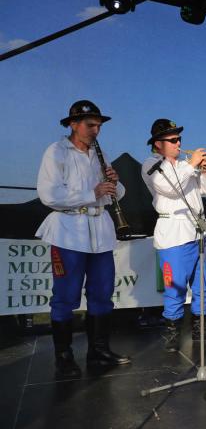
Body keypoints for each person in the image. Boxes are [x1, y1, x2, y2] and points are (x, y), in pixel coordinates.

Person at [36, 100, 131, 379]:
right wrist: (92, 193)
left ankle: (98, 352)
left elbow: (116, 194)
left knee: (102, 293)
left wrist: (115, 182)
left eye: (99, 126)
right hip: (68, 231)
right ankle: (64, 357)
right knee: (65, 296)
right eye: (91, 125)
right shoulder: (56, 152)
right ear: (73, 124)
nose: (96, 131)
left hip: (100, 232)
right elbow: (49, 195)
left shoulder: (101, 155)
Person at [141, 119, 206, 351]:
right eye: (173, 140)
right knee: (175, 288)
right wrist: (192, 164)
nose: (179, 143)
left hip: (198, 232)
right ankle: (172, 334)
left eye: (179, 139)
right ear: (158, 144)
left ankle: (201, 330)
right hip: (173, 233)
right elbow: (170, 188)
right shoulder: (152, 164)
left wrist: (203, 170)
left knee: (204, 286)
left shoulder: (185, 166)